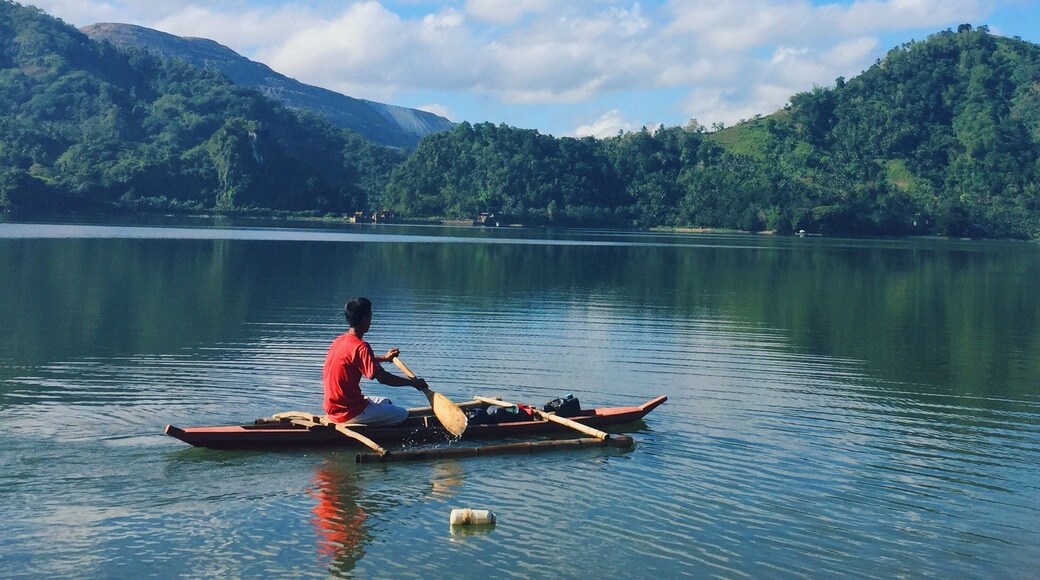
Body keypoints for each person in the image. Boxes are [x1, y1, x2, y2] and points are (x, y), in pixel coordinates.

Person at [322, 297, 428, 426]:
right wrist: (413, 383)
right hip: (349, 412)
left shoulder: (339, 341)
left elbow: (356, 360)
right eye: (370, 315)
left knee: (386, 401)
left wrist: (384, 358)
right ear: (365, 318)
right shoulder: (361, 346)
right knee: (403, 414)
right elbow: (383, 378)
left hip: (332, 410)